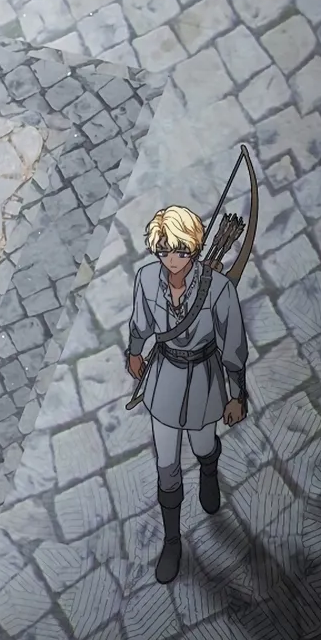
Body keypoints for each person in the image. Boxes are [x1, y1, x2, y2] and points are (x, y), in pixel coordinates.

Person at [127, 203, 249, 584]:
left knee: (202, 445)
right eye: (165, 251)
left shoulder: (219, 288)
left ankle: (209, 468)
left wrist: (237, 394)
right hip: (165, 376)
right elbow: (141, 321)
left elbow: (233, 343)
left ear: (194, 247)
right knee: (167, 466)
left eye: (180, 251)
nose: (172, 259)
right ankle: (172, 541)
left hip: (203, 379)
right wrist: (134, 351)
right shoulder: (147, 278)